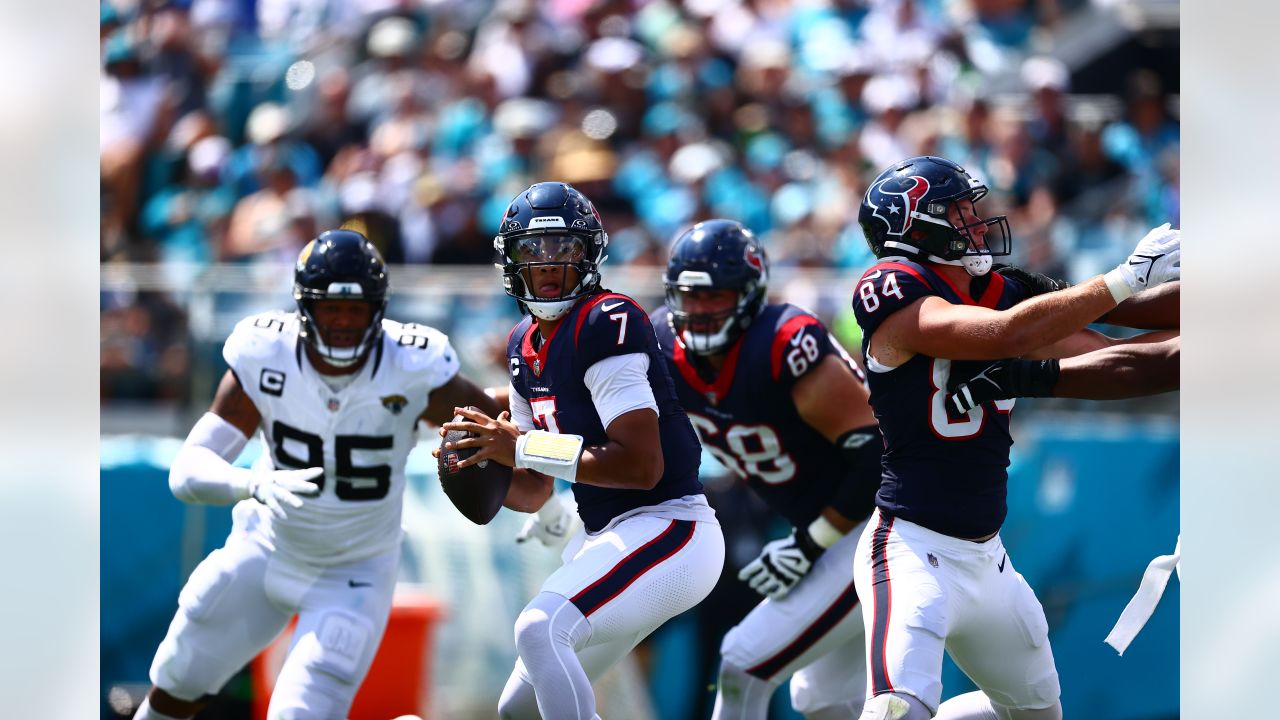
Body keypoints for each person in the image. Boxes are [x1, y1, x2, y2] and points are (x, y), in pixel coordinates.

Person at [847, 156, 1180, 720]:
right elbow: (1009, 333)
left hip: (989, 561)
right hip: (910, 551)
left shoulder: (1002, 289)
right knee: (895, 711)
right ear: (914, 226)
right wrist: (1124, 275)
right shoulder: (891, 286)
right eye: (958, 212)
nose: (976, 223)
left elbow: (1127, 355)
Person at [133, 229, 499, 720]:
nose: (344, 322)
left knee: (299, 713)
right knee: (176, 681)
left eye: (356, 309)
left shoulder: (414, 364)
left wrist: (547, 494)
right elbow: (187, 470)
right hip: (264, 548)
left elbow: (493, 432)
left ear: (379, 309)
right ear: (305, 308)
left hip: (355, 569)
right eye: (331, 309)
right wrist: (252, 483)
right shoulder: (266, 351)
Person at [434, 181, 725, 720]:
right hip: (607, 535)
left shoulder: (605, 320)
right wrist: (483, 460)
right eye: (532, 251)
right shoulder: (522, 342)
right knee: (517, 709)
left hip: (670, 527)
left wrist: (519, 447)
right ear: (510, 261)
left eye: (562, 248)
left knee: (540, 628)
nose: (546, 265)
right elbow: (532, 489)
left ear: (589, 254)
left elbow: (642, 467)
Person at [650, 219, 883, 720]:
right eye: (690, 297)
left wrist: (810, 542)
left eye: (717, 297)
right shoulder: (662, 347)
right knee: (819, 698)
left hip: (877, 528)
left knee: (742, 662)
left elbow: (878, 458)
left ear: (750, 293)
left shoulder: (784, 342)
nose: (700, 311)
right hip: (831, 530)